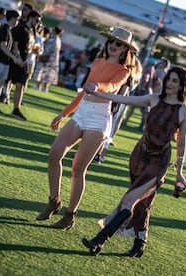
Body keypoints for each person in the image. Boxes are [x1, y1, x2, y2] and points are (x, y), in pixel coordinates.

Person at [82, 66, 186, 257]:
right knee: (143, 203)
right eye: (169, 79)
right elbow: (125, 99)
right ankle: (139, 244)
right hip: (139, 156)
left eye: (175, 81)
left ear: (182, 85)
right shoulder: (154, 98)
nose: (170, 83)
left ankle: (99, 240)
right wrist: (99, 92)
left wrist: (179, 172)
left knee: (129, 200)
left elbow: (182, 143)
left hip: (159, 162)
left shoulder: (184, 112)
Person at [35, 27, 137, 231]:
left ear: (125, 49)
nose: (113, 45)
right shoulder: (98, 62)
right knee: (54, 154)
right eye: (111, 42)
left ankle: (70, 215)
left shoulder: (124, 71)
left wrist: (98, 86)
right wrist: (63, 114)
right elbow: (83, 93)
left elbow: (112, 87)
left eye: (118, 44)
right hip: (82, 112)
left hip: (99, 118)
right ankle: (54, 200)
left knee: (78, 169)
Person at [7, 10, 42, 121]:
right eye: (36, 20)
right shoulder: (22, 28)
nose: (37, 23)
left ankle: (16, 109)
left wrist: (34, 52)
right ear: (30, 18)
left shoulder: (33, 31)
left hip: (25, 62)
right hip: (17, 61)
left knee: (21, 85)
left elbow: (30, 46)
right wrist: (18, 58)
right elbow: (15, 45)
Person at [33, 26, 63, 93]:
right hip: (54, 59)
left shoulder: (52, 39)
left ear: (54, 31)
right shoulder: (59, 40)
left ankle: (38, 86)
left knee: (43, 72)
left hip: (48, 58)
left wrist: (41, 55)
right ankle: (45, 88)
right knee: (49, 74)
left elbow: (48, 49)